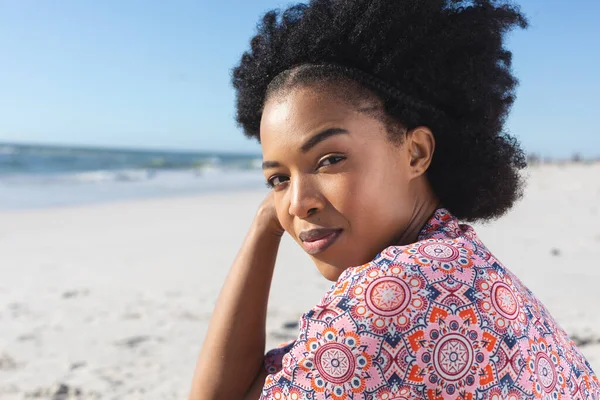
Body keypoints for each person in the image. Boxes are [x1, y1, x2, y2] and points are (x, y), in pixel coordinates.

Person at [189, 1, 600, 399]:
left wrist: (262, 231)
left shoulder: (390, 295)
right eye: (278, 179)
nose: (297, 203)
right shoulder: (468, 268)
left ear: (416, 152)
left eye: (330, 159)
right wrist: (268, 219)